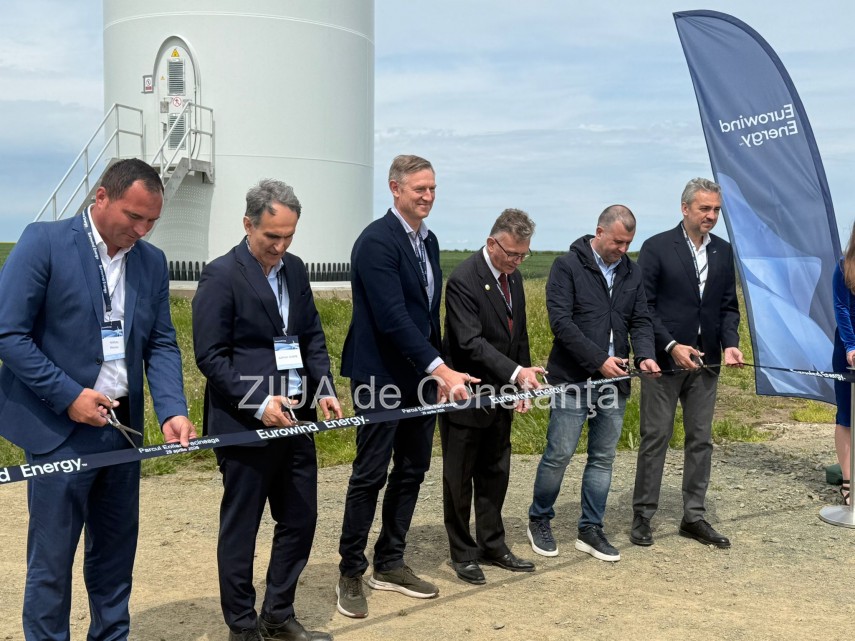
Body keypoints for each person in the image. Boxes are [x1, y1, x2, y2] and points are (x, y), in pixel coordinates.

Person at [0, 158, 196, 641]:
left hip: (122, 431)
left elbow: (161, 343)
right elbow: (9, 334)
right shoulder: (44, 243)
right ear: (101, 197)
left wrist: (172, 409)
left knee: (114, 557)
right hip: (59, 430)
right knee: (52, 563)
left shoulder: (151, 261)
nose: (142, 230)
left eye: (152, 221)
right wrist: (68, 395)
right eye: (134, 216)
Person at [193, 180, 341, 641]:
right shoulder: (221, 275)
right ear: (248, 224)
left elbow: (311, 337)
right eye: (271, 237)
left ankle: (278, 614)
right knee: (242, 529)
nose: (280, 247)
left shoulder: (295, 269)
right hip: (245, 426)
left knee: (300, 519)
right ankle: (242, 627)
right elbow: (210, 356)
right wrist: (258, 403)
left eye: (288, 236)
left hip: (297, 420)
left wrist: (324, 388)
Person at [336, 155, 473, 619]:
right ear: (395, 189)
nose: (428, 196)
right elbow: (392, 317)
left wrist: (439, 371)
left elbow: (427, 316)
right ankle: (350, 570)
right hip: (379, 375)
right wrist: (441, 369)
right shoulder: (376, 241)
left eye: (433, 188)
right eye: (420, 189)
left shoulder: (428, 241)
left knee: (413, 468)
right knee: (370, 473)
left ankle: (390, 562)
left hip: (420, 376)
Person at [527, 205, 659, 562]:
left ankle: (590, 529)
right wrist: (598, 360)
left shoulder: (632, 272)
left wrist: (645, 356)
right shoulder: (566, 266)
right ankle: (539, 519)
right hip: (572, 380)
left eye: (629, 243)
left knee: (603, 458)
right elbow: (561, 323)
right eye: (618, 242)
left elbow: (641, 320)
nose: (623, 249)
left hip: (615, 382)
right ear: (599, 232)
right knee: (559, 454)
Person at [630, 177, 744, 550]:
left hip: (707, 362)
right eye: (704, 208)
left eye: (716, 210)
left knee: (701, 440)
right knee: (656, 437)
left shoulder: (723, 251)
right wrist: (671, 345)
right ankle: (643, 515)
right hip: (664, 363)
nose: (711, 215)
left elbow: (728, 306)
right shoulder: (657, 247)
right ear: (685, 208)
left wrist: (730, 344)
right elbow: (643, 307)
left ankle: (693, 516)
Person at [440, 208, 543, 584]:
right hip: (466, 394)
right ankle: (463, 552)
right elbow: (470, 342)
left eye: (524, 255)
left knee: (495, 473)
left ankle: (493, 544)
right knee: (459, 478)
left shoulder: (513, 278)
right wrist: (515, 372)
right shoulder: (464, 279)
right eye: (512, 253)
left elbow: (520, 334)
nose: (517, 261)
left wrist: (522, 382)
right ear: (491, 243)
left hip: (502, 395)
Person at [832, 222, 855, 506]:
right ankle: (849, 482)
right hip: (849, 351)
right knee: (847, 416)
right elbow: (841, 308)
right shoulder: (844, 267)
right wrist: (851, 345)